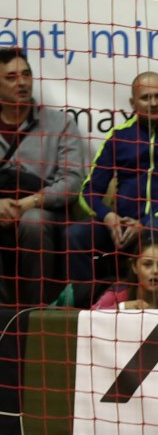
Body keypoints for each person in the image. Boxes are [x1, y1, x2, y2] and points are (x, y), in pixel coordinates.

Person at [75, 71, 158, 294]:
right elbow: (89, 191)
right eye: (145, 98)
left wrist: (144, 222)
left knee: (156, 228)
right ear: (133, 103)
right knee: (76, 235)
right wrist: (108, 217)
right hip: (122, 224)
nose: (153, 103)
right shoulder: (119, 135)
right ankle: (83, 304)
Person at [0, 47, 88, 307]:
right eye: (11, 77)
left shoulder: (60, 123)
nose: (22, 82)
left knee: (33, 221)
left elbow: (73, 181)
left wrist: (31, 202)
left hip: (46, 211)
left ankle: (35, 313)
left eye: (26, 74)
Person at [91, 238, 158, 310]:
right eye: (147, 264)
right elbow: (89, 318)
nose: (155, 271)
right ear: (135, 267)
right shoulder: (115, 295)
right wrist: (122, 307)